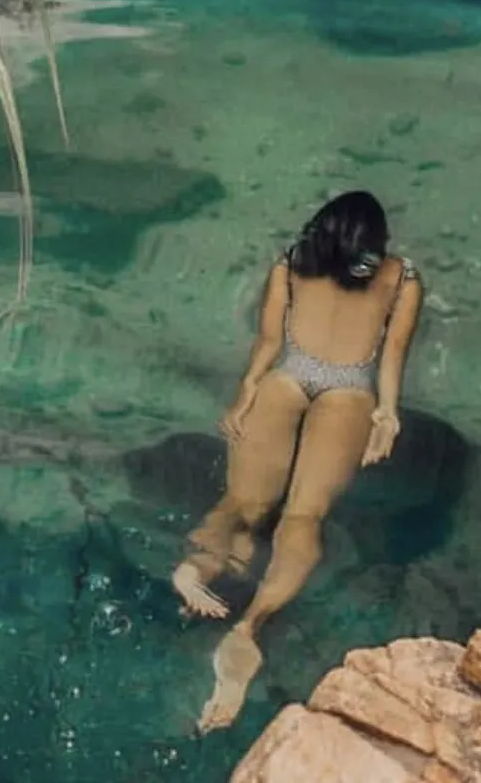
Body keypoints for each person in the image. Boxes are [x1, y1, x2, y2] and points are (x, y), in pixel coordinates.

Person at [173, 190, 424, 733]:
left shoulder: (290, 266)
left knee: (242, 503)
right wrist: (386, 415)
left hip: (285, 379)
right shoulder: (402, 279)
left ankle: (196, 569)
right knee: (303, 517)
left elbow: (267, 343)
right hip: (349, 390)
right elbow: (393, 357)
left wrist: (244, 395)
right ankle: (249, 627)